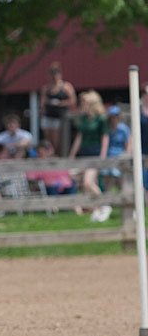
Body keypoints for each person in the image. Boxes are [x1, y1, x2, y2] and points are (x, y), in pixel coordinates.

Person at [69, 90, 109, 222]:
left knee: (88, 183)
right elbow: (79, 137)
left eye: (84, 102)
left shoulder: (101, 118)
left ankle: (105, 205)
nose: (82, 105)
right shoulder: (84, 119)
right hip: (84, 153)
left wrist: (102, 155)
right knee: (88, 183)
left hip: (95, 153)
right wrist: (72, 154)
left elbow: (105, 137)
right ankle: (97, 210)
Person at [40, 62, 76, 154]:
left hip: (60, 117)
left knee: (57, 139)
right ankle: (49, 155)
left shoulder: (66, 86)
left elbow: (72, 101)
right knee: (48, 140)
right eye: (52, 74)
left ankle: (58, 155)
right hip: (49, 116)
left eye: (55, 74)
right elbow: (42, 102)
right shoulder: (46, 88)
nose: (54, 77)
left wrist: (60, 103)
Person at [100, 105, 131, 193]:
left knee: (118, 178)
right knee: (107, 177)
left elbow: (128, 144)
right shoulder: (107, 128)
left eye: (116, 116)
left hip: (120, 156)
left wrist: (127, 156)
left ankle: (122, 198)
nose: (114, 118)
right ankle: (107, 199)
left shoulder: (124, 129)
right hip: (108, 156)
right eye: (112, 116)